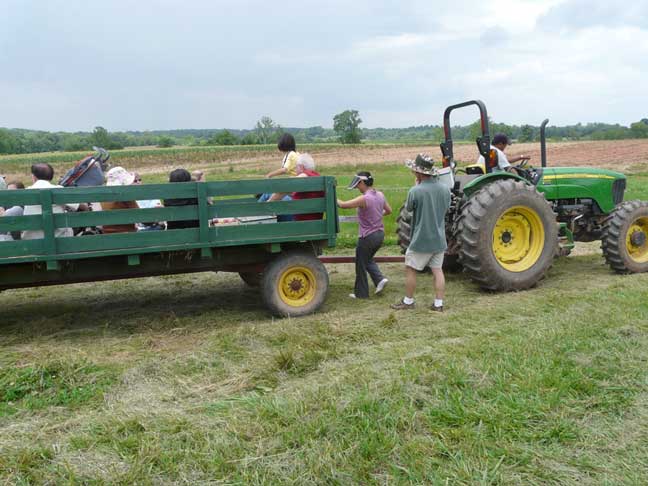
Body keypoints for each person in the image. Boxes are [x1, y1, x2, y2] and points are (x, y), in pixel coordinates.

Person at [391, 154, 451, 312]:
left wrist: (415, 186)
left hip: (421, 240)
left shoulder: (415, 191)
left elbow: (409, 209)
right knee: (438, 271)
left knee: (411, 269)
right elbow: (446, 208)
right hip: (439, 239)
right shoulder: (445, 189)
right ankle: (438, 304)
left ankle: (408, 301)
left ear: (418, 173)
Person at [337, 171, 392, 299]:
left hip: (367, 237)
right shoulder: (380, 195)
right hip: (379, 235)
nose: (357, 188)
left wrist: (330, 195)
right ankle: (379, 280)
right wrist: (377, 216)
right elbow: (389, 211)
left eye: (357, 185)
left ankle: (361, 294)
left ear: (362, 183)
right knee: (367, 259)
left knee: (360, 264)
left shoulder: (364, 198)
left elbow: (343, 205)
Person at [22, 163, 79, 240]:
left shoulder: (26, 192)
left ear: (34, 177)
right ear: (51, 177)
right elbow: (79, 206)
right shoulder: (58, 190)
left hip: (31, 240)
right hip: (58, 240)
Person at [268, 154, 323, 220]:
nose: (295, 169)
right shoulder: (318, 177)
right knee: (281, 197)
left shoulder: (305, 175)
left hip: (300, 220)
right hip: (314, 221)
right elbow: (333, 199)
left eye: (296, 167)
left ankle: (258, 212)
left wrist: (268, 203)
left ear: (301, 167)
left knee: (268, 195)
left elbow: (285, 188)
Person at [101, 166, 139, 234]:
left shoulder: (104, 198)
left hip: (106, 235)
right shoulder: (126, 196)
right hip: (127, 235)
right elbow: (142, 216)